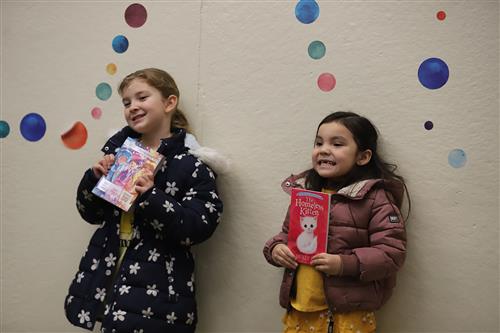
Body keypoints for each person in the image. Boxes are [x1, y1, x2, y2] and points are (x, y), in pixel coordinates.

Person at [64, 68, 227, 333]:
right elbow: (91, 214)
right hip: (107, 276)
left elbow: (198, 226)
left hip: (157, 291)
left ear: (169, 102)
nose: (133, 107)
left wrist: (152, 197)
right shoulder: (119, 154)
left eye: (142, 97)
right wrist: (94, 180)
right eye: (127, 102)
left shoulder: (192, 164)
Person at [263, 111, 409, 333]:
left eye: (337, 144)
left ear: (363, 157)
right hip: (303, 308)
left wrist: (344, 264)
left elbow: (392, 253)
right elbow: (287, 234)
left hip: (347, 314)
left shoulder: (376, 198)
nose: (324, 149)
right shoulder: (307, 194)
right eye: (319, 142)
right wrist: (276, 249)